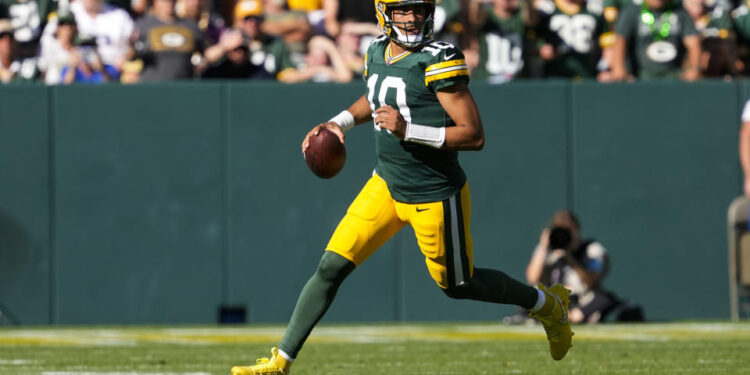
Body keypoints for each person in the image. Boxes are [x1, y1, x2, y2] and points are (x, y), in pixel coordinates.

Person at [229, 0, 573, 373]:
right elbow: (377, 96)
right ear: (384, 12)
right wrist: (337, 123)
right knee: (331, 266)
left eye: (417, 9)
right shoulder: (376, 50)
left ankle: (547, 305)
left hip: (434, 193)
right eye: (402, 10)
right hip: (387, 184)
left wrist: (409, 130)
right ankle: (280, 362)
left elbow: (473, 135)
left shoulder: (438, 59)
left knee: (459, 284)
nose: (410, 18)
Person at [526, 210, 619, 323]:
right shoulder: (548, 249)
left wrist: (570, 259)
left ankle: (570, 316)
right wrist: (543, 245)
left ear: (577, 230)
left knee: (604, 298)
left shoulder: (591, 249)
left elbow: (592, 282)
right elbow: (532, 278)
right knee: (532, 294)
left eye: (568, 231)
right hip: (554, 300)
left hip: (581, 300)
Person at [608, 0, 702, 81]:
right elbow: (620, 40)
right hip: (641, 76)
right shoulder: (632, 11)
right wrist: (618, 69)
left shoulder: (679, 11)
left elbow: (693, 43)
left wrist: (695, 69)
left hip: (674, 77)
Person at [535, 0, 611, 79]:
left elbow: (608, 44)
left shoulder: (595, 9)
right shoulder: (546, 9)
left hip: (587, 73)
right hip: (554, 75)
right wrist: (541, 50)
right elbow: (533, 39)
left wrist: (605, 69)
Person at [467, 0, 538, 83]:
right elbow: (475, 19)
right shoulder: (487, 16)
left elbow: (531, 19)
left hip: (518, 79)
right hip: (486, 78)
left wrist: (527, 2)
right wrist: (477, 3)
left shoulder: (520, 16)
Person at [133, 0, 205, 81]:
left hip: (183, 85)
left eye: (172, 1)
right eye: (165, 1)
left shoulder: (191, 26)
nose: (169, 3)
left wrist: (221, 47)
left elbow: (205, 54)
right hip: (152, 85)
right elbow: (130, 56)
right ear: (154, 2)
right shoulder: (142, 25)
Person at [0, 18, 38, 83]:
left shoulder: (27, 66)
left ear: (15, 41)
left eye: (10, 37)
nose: (7, 41)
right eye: (2, 37)